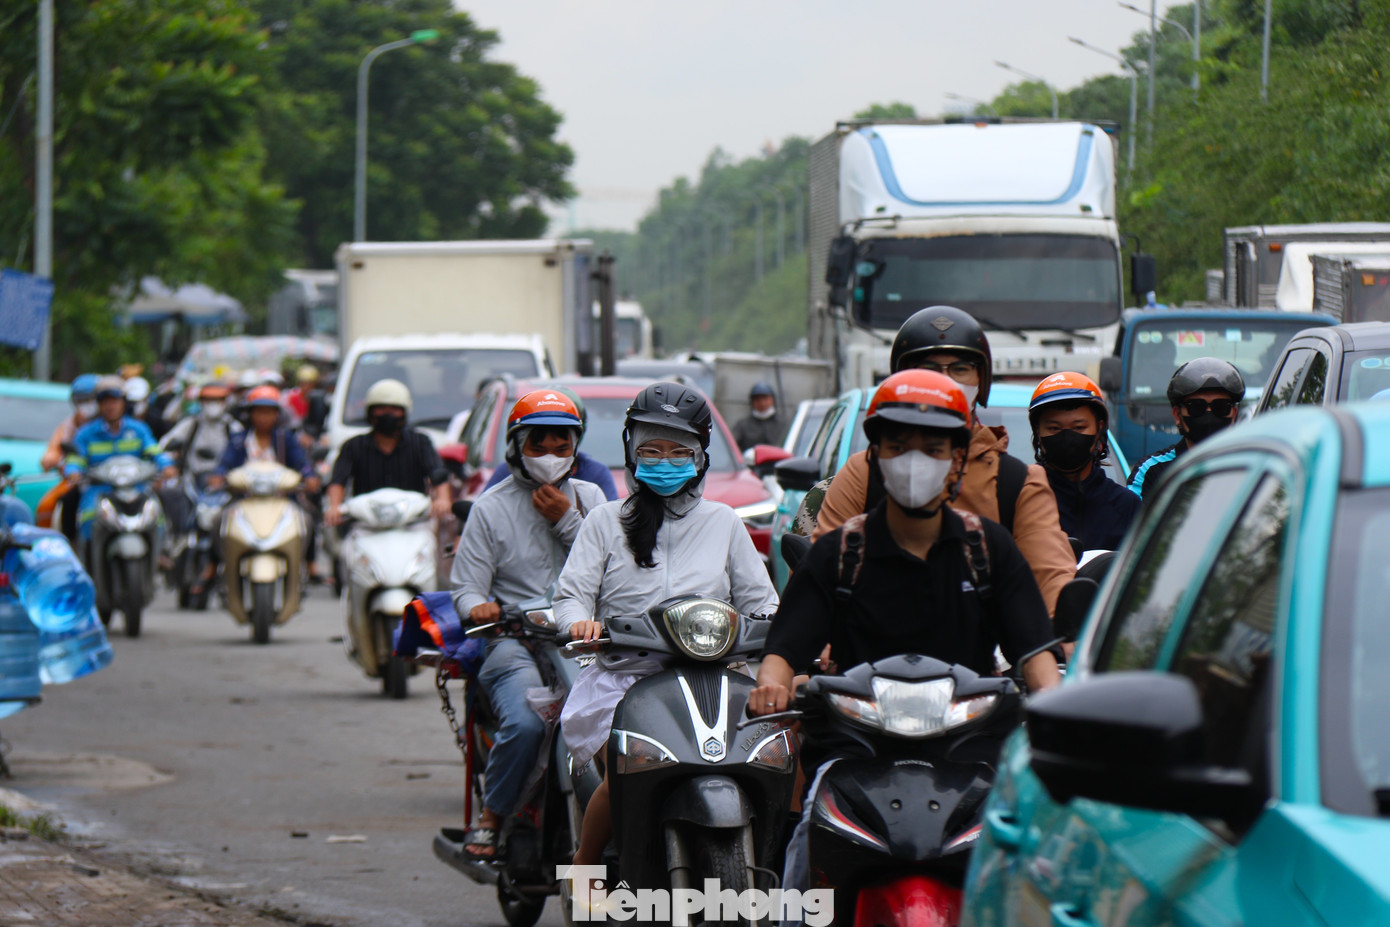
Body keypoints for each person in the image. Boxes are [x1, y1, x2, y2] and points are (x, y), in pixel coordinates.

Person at [747, 370, 1061, 903]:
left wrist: (1056, 708)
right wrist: (771, 684)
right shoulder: (839, 553)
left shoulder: (990, 551)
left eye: (933, 447)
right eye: (898, 446)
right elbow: (783, 652)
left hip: (971, 756)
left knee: (1037, 877)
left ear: (958, 459)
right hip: (853, 755)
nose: (914, 460)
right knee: (801, 874)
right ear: (876, 455)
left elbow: (1037, 655)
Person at [557, 381, 779, 878]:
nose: (664, 460)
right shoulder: (604, 521)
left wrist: (771, 628)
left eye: (679, 450)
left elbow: (762, 602)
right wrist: (579, 623)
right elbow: (570, 594)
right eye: (651, 449)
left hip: (717, 680)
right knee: (625, 776)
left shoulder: (724, 521)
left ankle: (782, 860)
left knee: (776, 758)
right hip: (625, 680)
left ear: (700, 457)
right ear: (631, 452)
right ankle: (584, 867)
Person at [813, 305, 1076, 613]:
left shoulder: (1017, 483)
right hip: (873, 650)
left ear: (981, 380)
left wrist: (1059, 635)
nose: (946, 381)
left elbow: (1051, 580)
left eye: (960, 369)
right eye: (929, 369)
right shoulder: (864, 470)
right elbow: (817, 581)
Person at [450, 389, 608, 860]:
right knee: (522, 723)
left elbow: (613, 567)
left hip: (583, 641)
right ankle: (494, 816)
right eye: (539, 446)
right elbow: (466, 589)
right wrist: (480, 607)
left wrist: (566, 520)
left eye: (563, 447)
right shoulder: (490, 507)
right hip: (514, 641)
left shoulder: (592, 499)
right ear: (517, 447)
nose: (551, 457)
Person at [191, 386, 318, 596]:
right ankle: (212, 567)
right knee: (217, 520)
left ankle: (309, 565)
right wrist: (218, 475)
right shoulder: (239, 440)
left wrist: (310, 476)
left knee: (307, 518)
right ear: (250, 414)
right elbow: (225, 463)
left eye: (269, 412)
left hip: (281, 500)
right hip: (244, 500)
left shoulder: (285, 439)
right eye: (259, 411)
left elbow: (301, 462)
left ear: (277, 414)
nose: (264, 417)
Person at [1028, 371, 1141, 552]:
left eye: (1079, 427)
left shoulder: (1127, 506)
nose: (1067, 437)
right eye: (1054, 428)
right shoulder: (1022, 499)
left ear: (1099, 429)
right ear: (1038, 434)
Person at [325, 378, 450, 527]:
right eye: (381, 408)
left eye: (394, 409)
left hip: (412, 524)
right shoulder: (353, 446)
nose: (388, 414)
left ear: (404, 412)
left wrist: (443, 499)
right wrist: (334, 507)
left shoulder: (420, 443)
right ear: (370, 412)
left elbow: (438, 474)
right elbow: (338, 481)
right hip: (367, 525)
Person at [65, 376, 176, 542]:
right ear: (99, 404)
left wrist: (166, 466)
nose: (111, 406)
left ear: (123, 402)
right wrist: (73, 471)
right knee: (88, 518)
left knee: (157, 516)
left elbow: (155, 451)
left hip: (136, 488)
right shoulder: (86, 434)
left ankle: (160, 554)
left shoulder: (138, 429)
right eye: (105, 401)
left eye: (115, 401)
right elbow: (75, 460)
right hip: (100, 490)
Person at [1128, 358, 1246, 503]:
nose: (1209, 414)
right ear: (1177, 415)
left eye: (1221, 407)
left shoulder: (1253, 468)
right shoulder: (1150, 472)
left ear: (1234, 414)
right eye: (1196, 406)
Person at [481, 387, 619, 501]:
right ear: (517, 449)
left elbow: (605, 531)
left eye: (561, 450)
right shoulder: (491, 503)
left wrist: (566, 518)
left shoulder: (591, 495)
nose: (550, 461)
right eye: (538, 450)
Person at [156, 382, 243, 563]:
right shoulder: (191, 424)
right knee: (169, 494)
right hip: (192, 481)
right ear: (201, 402)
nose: (213, 404)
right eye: (209, 400)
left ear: (225, 402)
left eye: (218, 400)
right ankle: (174, 542)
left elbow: (244, 453)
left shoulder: (234, 428)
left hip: (224, 485)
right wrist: (167, 465)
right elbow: (164, 445)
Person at [39, 374, 99, 542]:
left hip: (109, 479)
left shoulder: (108, 424)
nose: (86, 405)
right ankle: (58, 547)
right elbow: (54, 450)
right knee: (49, 506)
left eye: (90, 399)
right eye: (81, 400)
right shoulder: (69, 426)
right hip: (78, 480)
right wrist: (52, 458)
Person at [731, 381, 786, 450]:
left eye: (765, 399)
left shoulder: (783, 424)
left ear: (773, 400)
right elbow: (732, 444)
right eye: (757, 400)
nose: (762, 403)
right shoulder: (743, 425)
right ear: (752, 402)